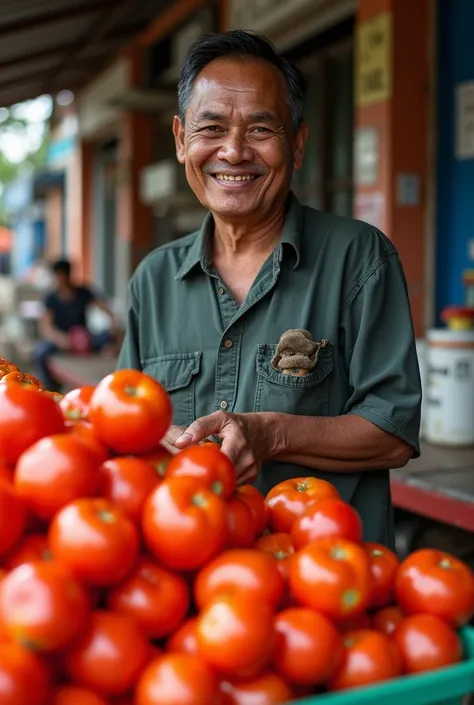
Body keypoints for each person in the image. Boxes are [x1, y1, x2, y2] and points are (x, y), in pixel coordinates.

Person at [117, 30, 422, 546]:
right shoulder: (153, 279)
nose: (234, 152)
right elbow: (123, 428)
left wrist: (270, 432)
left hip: (326, 581)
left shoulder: (360, 258)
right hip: (196, 580)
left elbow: (392, 433)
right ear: (179, 140)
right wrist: (148, 438)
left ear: (297, 143)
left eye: (260, 129)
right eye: (211, 128)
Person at [35, 259, 117, 390]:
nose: (60, 280)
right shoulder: (50, 297)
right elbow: (46, 326)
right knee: (40, 353)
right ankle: (49, 389)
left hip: (83, 339)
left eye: (63, 276)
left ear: (69, 275)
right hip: (61, 340)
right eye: (58, 276)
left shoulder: (84, 292)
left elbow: (106, 309)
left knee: (106, 337)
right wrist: (60, 339)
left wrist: (112, 324)